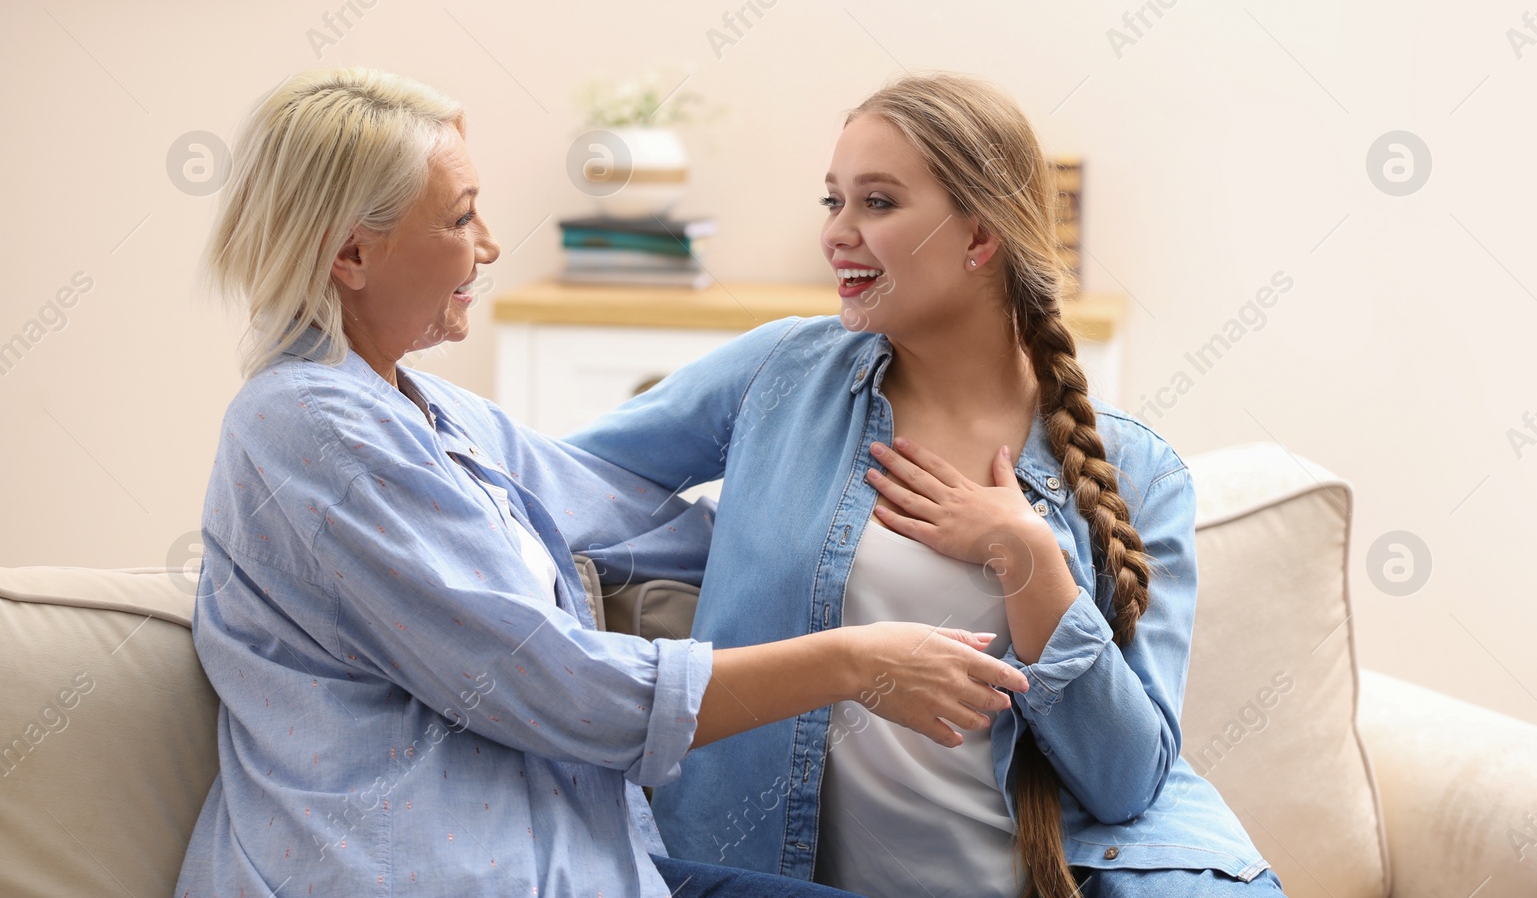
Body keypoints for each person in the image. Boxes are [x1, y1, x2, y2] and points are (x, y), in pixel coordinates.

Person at [177, 66, 1029, 898]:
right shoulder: (306, 427)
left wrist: (859, 537)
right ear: (352, 253)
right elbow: (559, 685)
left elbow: (615, 500)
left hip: (585, 864)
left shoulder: (432, 414)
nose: (490, 245)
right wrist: (848, 659)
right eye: (462, 217)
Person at [565, 74, 1289, 897]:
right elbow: (561, 482)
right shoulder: (783, 375)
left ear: (978, 237)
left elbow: (1128, 782)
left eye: (876, 203)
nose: (837, 233)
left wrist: (1027, 556)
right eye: (832, 200)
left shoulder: (1140, 473)